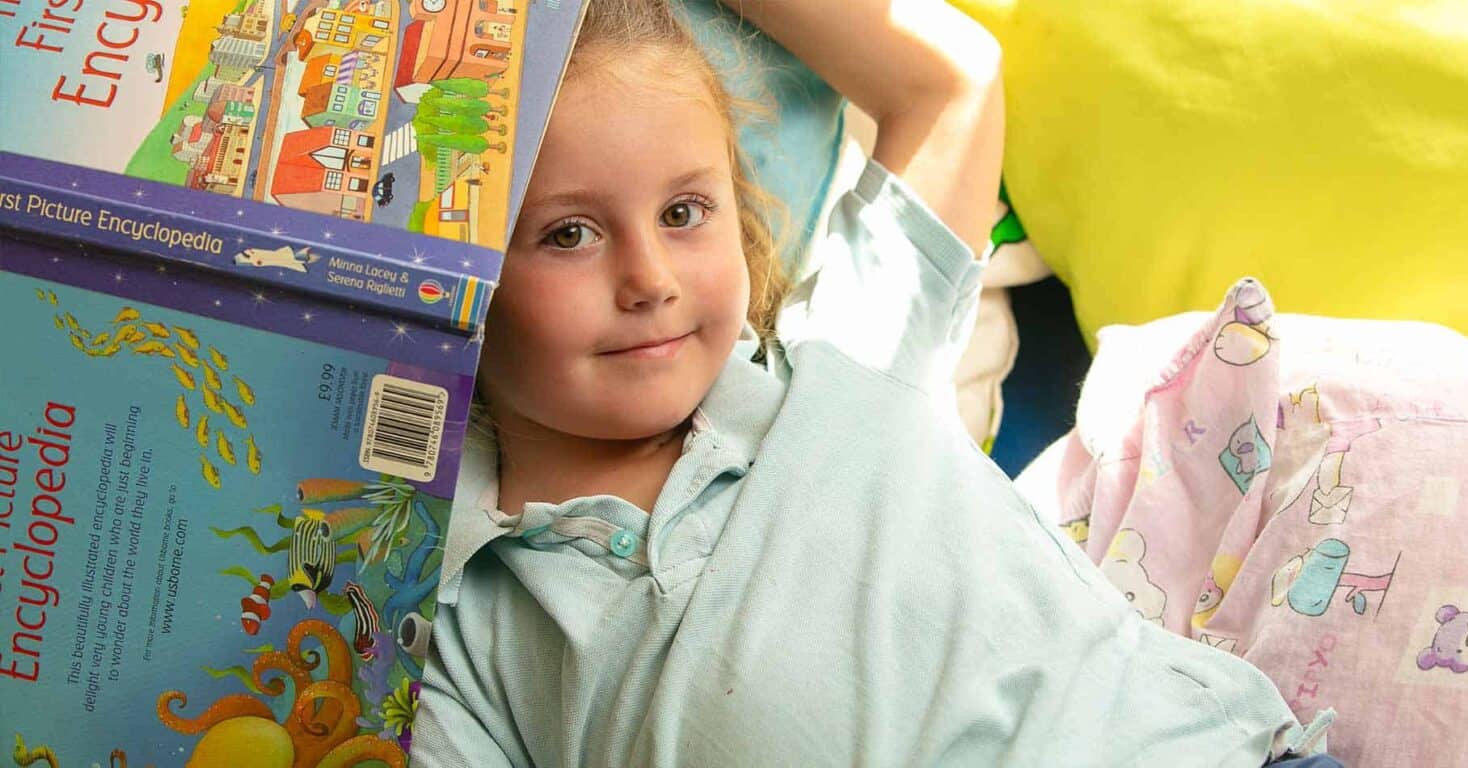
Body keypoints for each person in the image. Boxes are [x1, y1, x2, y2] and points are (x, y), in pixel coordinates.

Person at [413, 0, 1337, 764]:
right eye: (568, 233)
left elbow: (950, 83)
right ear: (446, 268)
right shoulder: (452, 611)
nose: (651, 278)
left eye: (686, 211)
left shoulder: (842, 350)